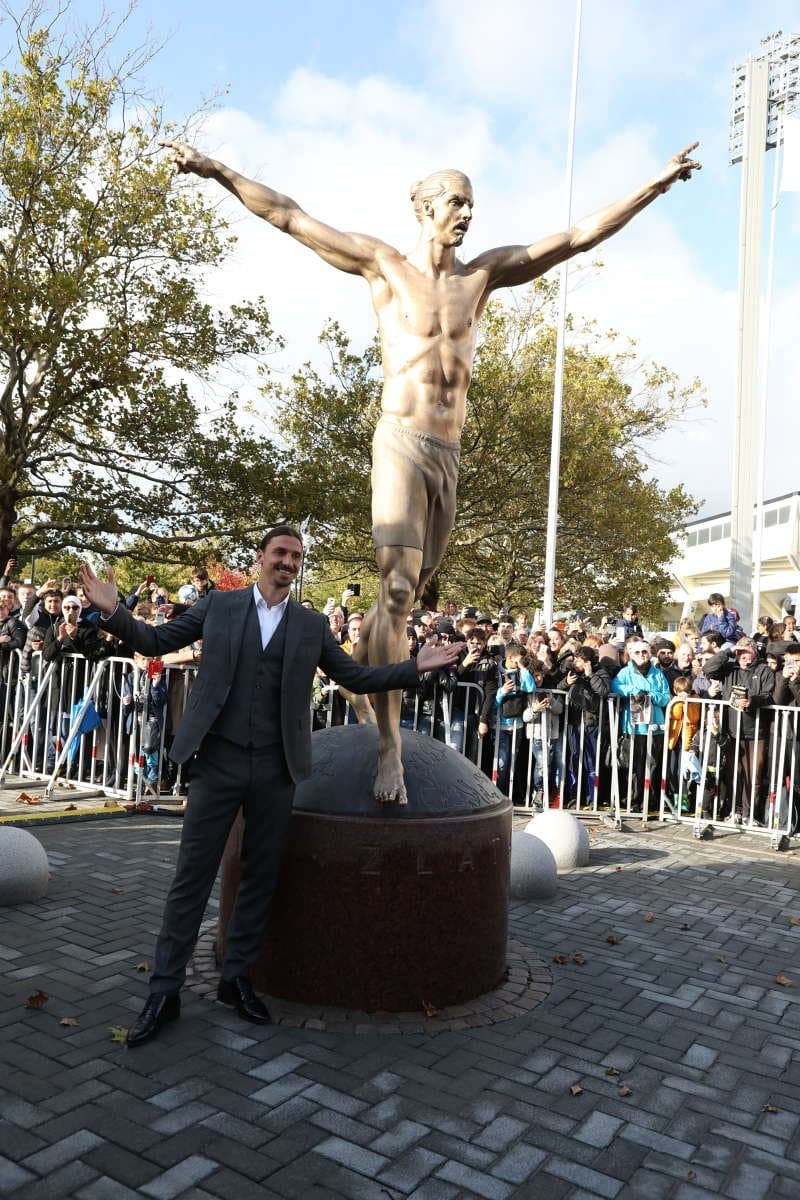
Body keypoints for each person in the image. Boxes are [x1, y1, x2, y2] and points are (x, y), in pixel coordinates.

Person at [159, 136, 700, 806]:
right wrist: (215, 167)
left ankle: (359, 683)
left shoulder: (483, 277)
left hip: (449, 454)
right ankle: (389, 748)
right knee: (397, 584)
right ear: (423, 208)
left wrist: (655, 183)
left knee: (409, 595)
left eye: (471, 203)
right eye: (454, 201)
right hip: (401, 438)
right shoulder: (383, 266)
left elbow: (576, 238)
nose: (466, 213)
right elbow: (290, 215)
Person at [78, 526, 459, 1047]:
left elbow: (355, 675)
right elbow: (157, 640)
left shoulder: (311, 624)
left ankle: (237, 979)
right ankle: (164, 992)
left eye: (296, 556)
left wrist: (413, 667)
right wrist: (112, 610)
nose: (287, 561)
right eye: (280, 552)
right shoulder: (219, 606)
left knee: (260, 876)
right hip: (217, 763)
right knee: (192, 878)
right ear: (260, 558)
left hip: (277, 770)